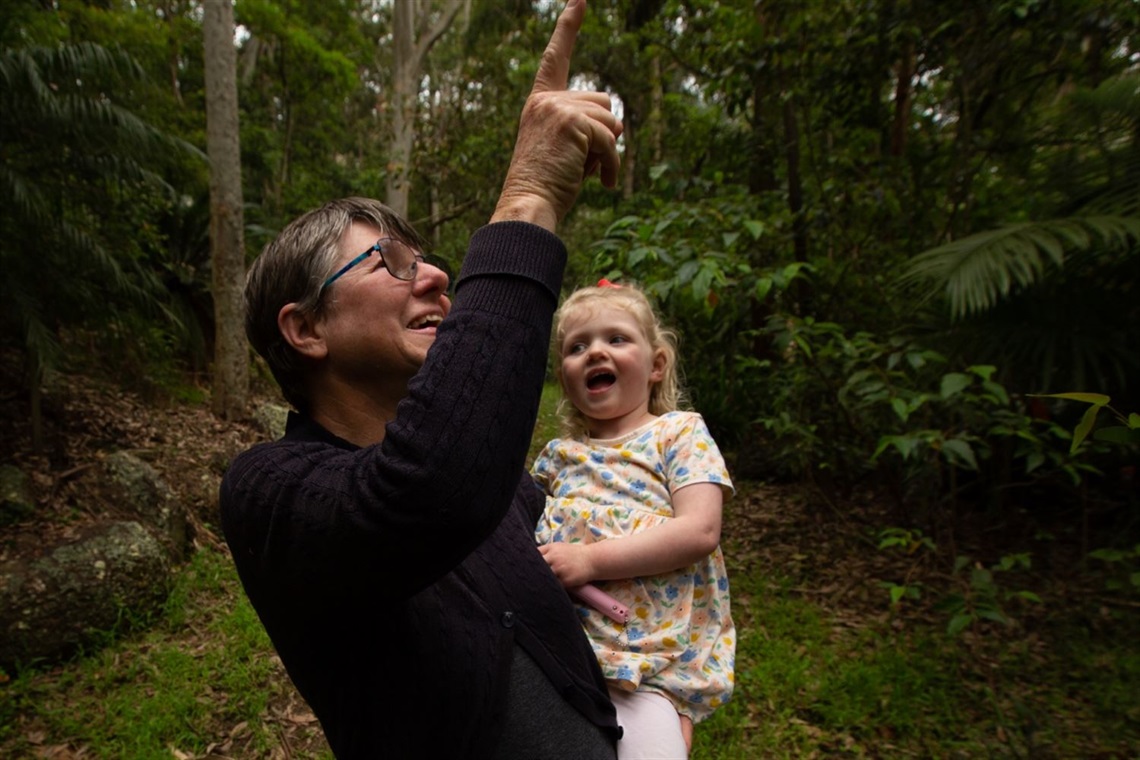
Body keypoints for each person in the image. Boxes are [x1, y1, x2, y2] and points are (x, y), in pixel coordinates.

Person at [218, 1, 625, 757]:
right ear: (304, 328)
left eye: (426, 257)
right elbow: (426, 493)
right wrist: (529, 195)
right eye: (392, 265)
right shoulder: (266, 491)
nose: (436, 275)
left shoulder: (490, 469)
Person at [532, 281, 736, 759]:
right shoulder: (558, 458)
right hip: (561, 649)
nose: (595, 352)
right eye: (577, 346)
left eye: (616, 339)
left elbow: (700, 529)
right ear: (564, 376)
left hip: (648, 660)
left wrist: (589, 559)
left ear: (656, 365)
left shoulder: (678, 433)